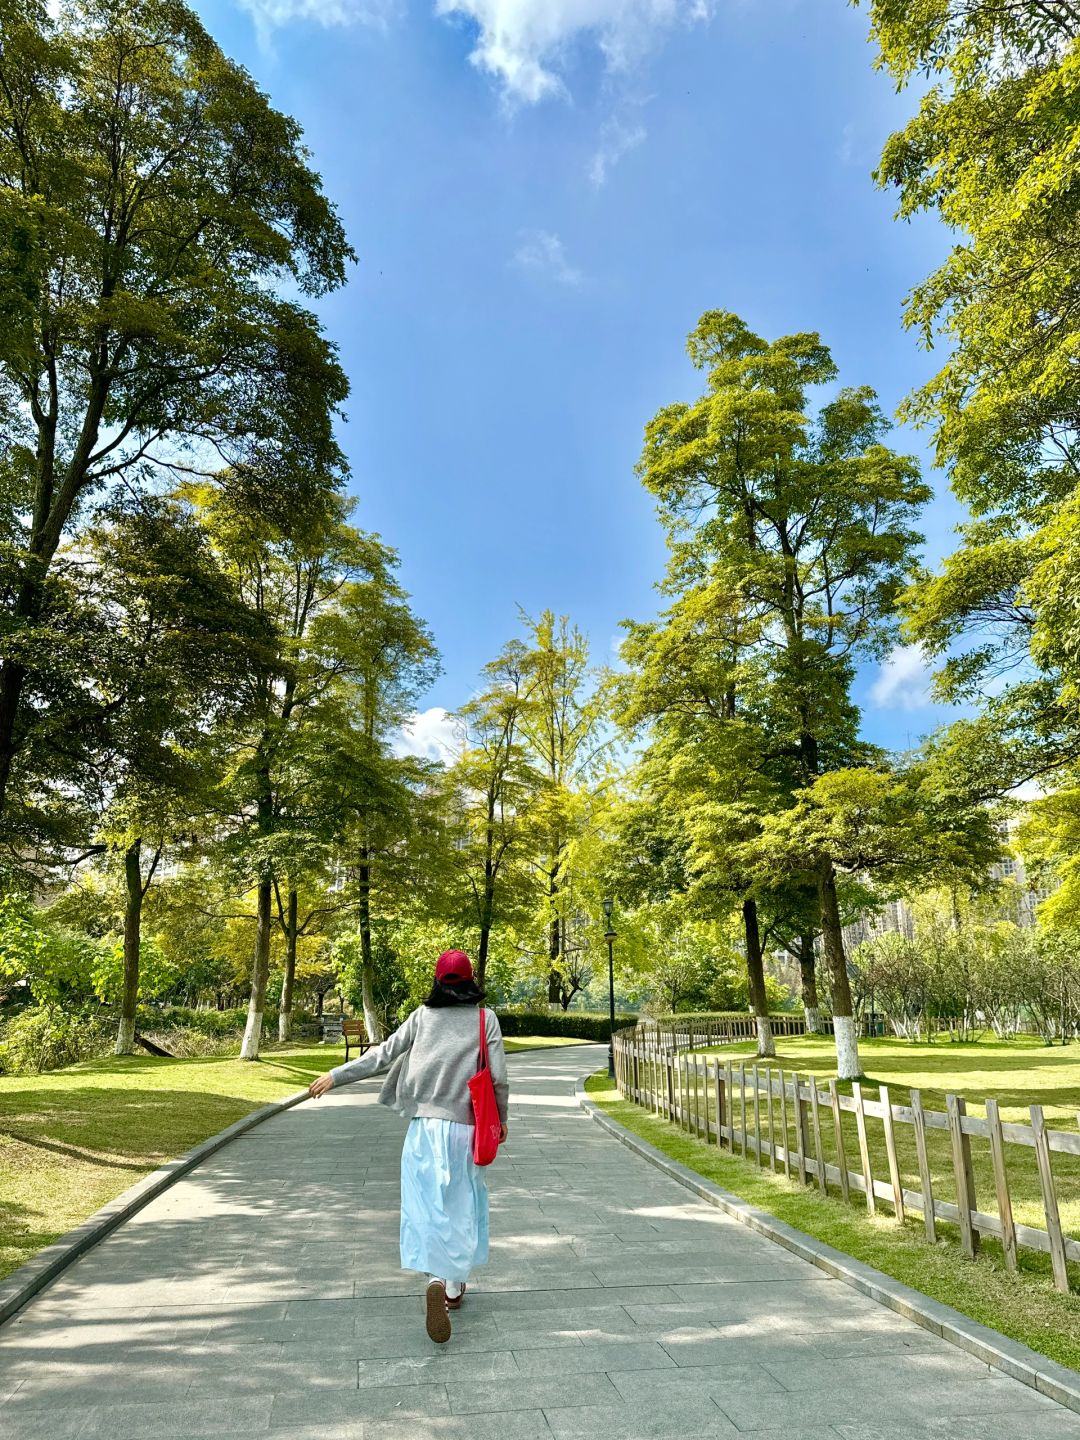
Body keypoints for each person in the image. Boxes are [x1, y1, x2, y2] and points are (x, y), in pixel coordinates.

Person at [307, 949, 509, 1344]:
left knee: (428, 1208)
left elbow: (382, 1055)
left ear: (437, 981)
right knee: (460, 1205)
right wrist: (500, 1121)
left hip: (422, 1130)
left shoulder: (421, 1016)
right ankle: (450, 1288)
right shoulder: (486, 1019)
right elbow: (498, 1079)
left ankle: (436, 1278)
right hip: (464, 1130)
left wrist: (336, 1074)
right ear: (470, 981)